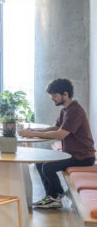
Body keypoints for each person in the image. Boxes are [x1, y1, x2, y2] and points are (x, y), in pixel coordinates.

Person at [20, 78, 95, 209]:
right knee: (40, 163)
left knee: (47, 167)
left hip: (83, 157)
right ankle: (52, 196)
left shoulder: (75, 111)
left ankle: (55, 196)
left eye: (55, 95)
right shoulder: (66, 109)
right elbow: (55, 127)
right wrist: (35, 130)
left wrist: (33, 134)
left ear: (65, 94)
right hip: (72, 154)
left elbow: (60, 134)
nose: (52, 98)